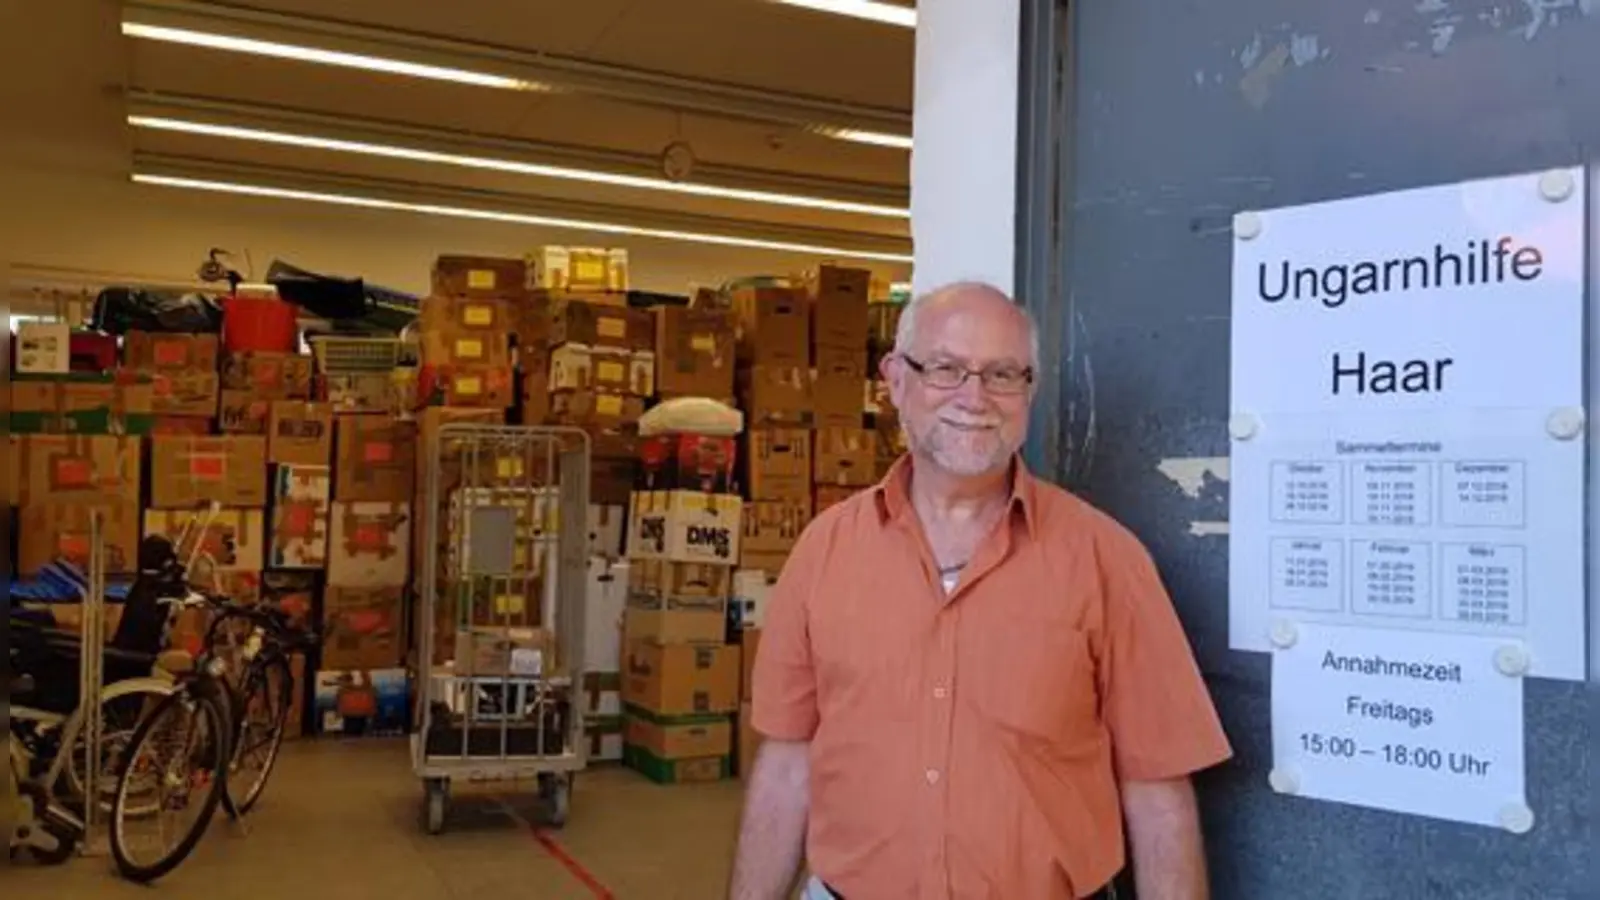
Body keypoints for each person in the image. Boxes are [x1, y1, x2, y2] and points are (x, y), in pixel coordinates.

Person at [727, 281, 1232, 900]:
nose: (975, 398)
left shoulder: (1107, 561)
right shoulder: (823, 553)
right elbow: (786, 765)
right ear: (895, 379)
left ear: (1029, 391)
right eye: (945, 368)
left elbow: (1158, 795)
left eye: (1002, 374)